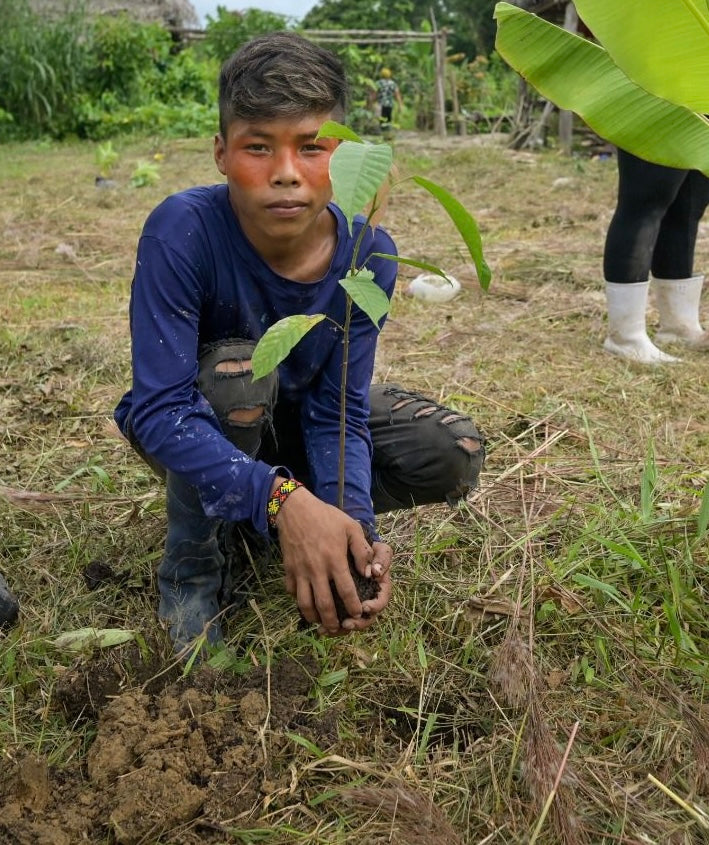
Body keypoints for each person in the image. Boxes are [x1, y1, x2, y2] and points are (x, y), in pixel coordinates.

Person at [114, 32, 485, 656]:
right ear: (221, 154)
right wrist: (283, 499)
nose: (286, 174)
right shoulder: (183, 230)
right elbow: (158, 409)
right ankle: (195, 566)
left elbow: (337, 411)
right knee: (238, 375)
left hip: (297, 417)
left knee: (450, 451)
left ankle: (280, 524)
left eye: (312, 147)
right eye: (258, 147)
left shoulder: (371, 255)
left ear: (343, 155)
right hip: (208, 419)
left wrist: (352, 533)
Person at [602, 148, 709, 363]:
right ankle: (626, 339)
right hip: (667, 116)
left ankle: (678, 328)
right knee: (646, 202)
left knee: (687, 208)